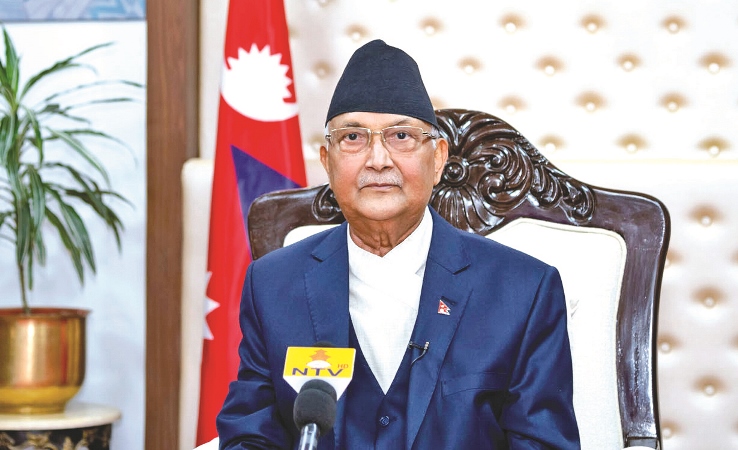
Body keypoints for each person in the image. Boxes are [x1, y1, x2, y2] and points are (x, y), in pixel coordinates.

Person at [216, 39, 580, 449]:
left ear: (438, 158)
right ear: (327, 161)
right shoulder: (273, 285)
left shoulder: (522, 290)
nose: (377, 160)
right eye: (353, 137)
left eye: (401, 136)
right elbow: (249, 436)